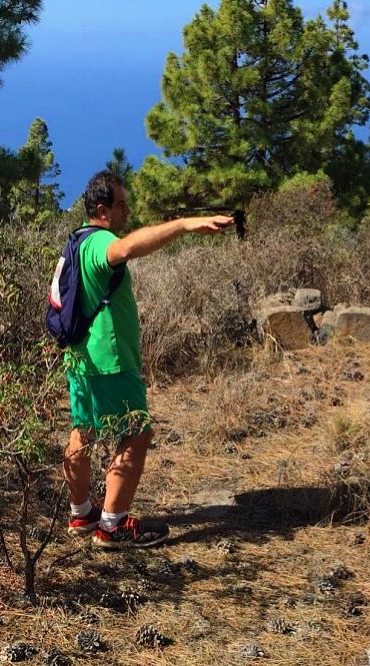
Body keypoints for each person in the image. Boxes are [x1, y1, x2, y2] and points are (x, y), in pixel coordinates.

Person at [63, 171, 234, 549]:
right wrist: (185, 224)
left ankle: (81, 514)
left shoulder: (75, 241)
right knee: (137, 432)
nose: (128, 210)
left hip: (79, 357)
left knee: (83, 431)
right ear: (103, 210)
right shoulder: (101, 240)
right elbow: (123, 250)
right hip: (110, 359)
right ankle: (113, 526)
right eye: (122, 204)